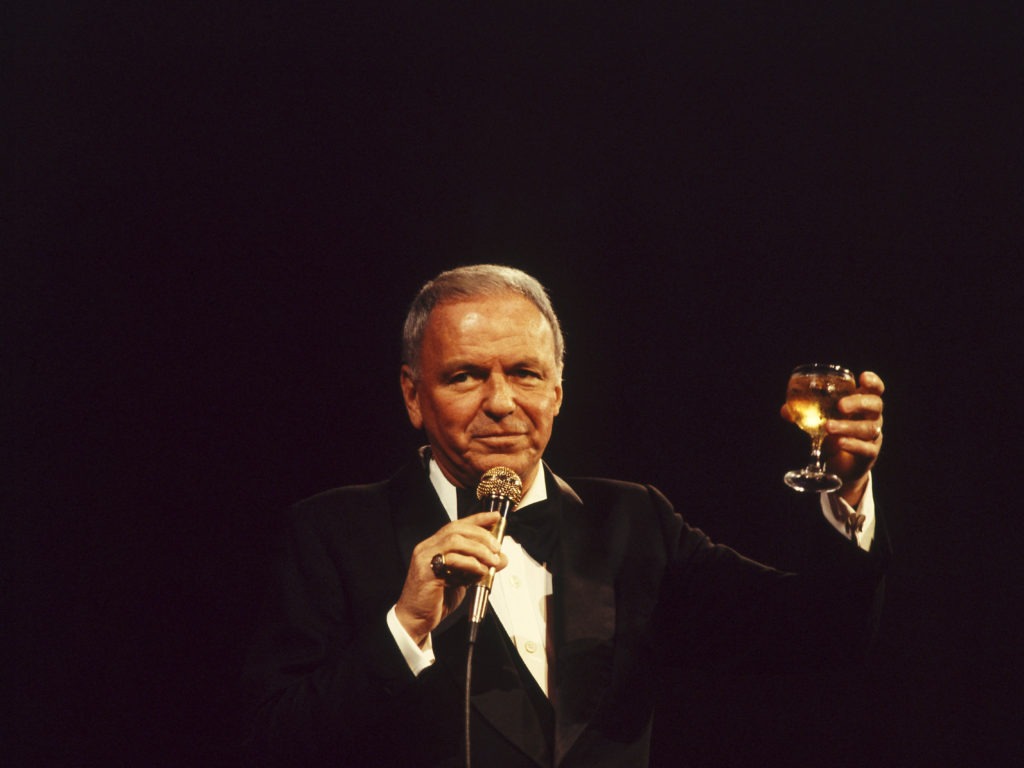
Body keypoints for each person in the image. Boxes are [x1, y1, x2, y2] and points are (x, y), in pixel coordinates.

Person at [242, 264, 888, 767]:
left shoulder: (634, 521)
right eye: (465, 376)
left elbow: (817, 634)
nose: (500, 402)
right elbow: (273, 741)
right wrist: (404, 627)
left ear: (558, 387)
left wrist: (846, 494)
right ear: (414, 395)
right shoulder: (332, 532)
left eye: (524, 373)